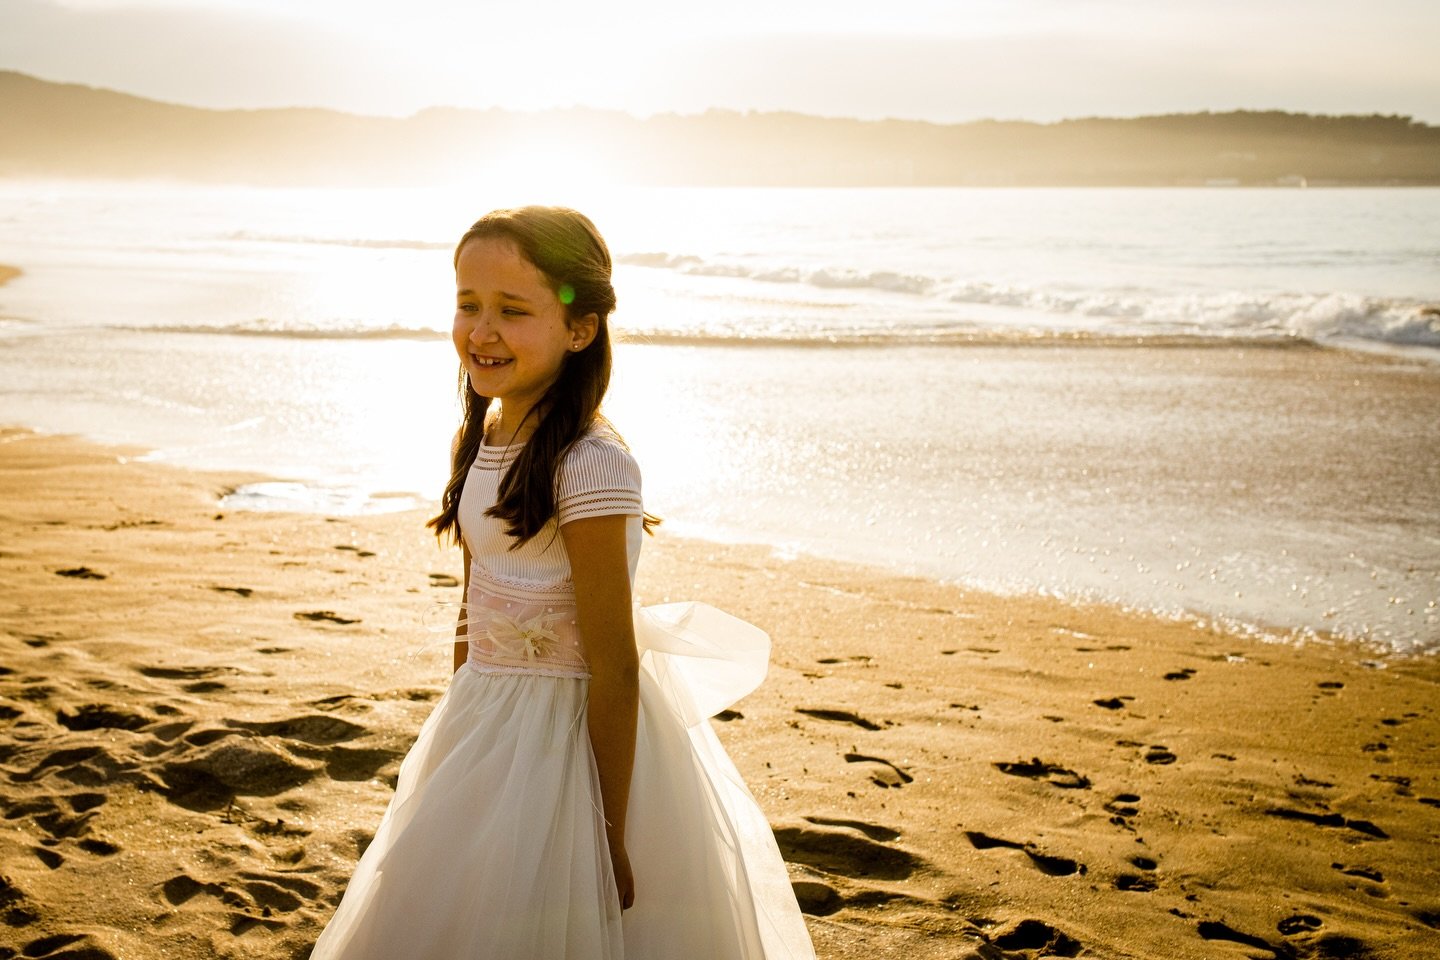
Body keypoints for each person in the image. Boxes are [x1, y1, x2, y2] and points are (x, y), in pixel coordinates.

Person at [309, 206, 815, 959]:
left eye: (513, 311)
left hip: (571, 742)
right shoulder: (485, 435)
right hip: (487, 720)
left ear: (579, 329)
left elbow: (613, 664)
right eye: (468, 305)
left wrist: (606, 833)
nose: (482, 332)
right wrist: (451, 736)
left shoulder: (592, 465)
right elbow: (472, 608)